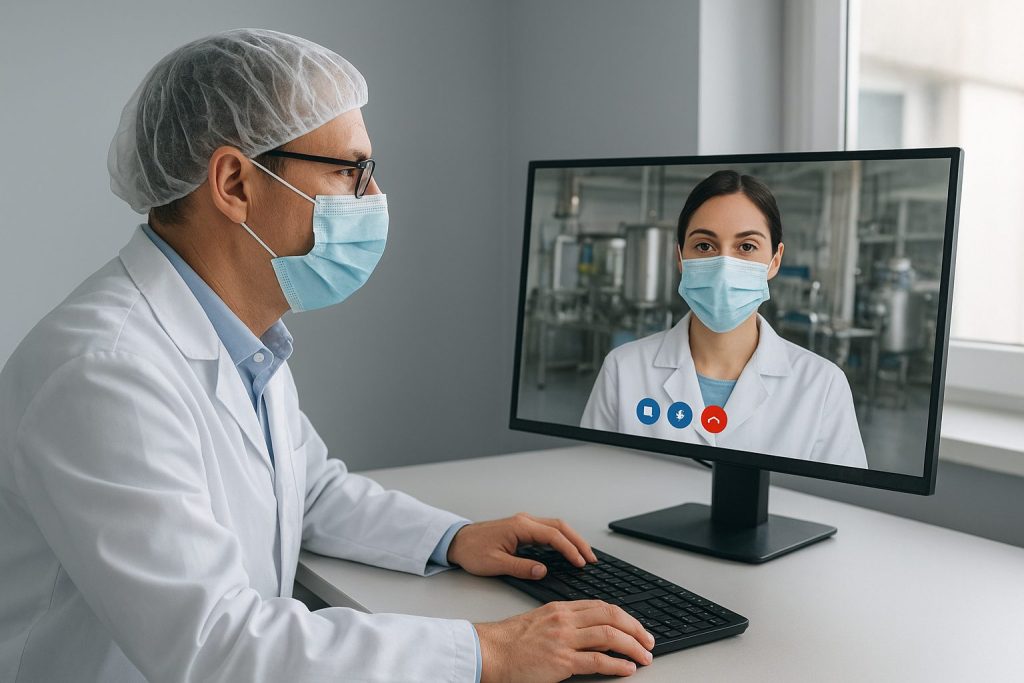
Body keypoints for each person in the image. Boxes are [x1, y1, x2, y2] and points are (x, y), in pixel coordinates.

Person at [0, 29, 655, 682]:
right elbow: (216, 644)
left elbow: (311, 491)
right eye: (350, 170)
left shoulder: (240, 337)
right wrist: (490, 650)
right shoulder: (104, 373)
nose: (373, 199)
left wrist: (452, 538)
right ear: (234, 182)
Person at [581, 170, 867, 468]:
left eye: (746, 247)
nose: (723, 268)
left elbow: (844, 501)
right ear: (680, 257)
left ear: (775, 261)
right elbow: (589, 479)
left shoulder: (822, 385)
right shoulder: (623, 369)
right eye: (704, 246)